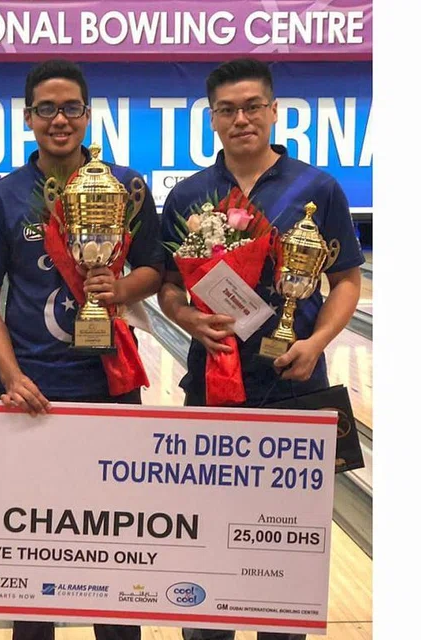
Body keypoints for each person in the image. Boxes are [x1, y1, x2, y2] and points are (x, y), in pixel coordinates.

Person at [157, 58, 364, 640]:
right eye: (227, 109)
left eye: (252, 106)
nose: (241, 118)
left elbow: (346, 279)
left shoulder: (316, 188)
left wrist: (317, 340)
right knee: (205, 532)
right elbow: (171, 285)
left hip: (295, 384)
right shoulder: (191, 195)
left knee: (285, 541)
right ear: (212, 118)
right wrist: (187, 318)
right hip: (212, 383)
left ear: (273, 111)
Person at [0, 59, 163, 640]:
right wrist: (11, 376)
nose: (59, 119)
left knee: (116, 545)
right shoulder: (2, 200)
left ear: (88, 112)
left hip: (112, 387)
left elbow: (156, 266)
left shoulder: (127, 186)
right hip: (35, 396)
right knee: (35, 551)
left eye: (71, 106)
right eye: (46, 108)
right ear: (27, 118)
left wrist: (121, 289)